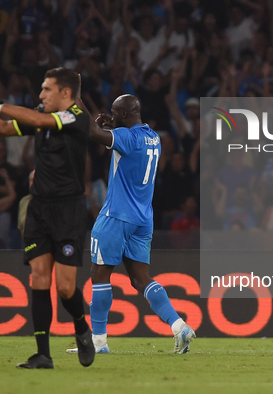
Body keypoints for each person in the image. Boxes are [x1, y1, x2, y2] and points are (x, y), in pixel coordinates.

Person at [0, 67, 95, 369]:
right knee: (39, 279)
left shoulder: (77, 116)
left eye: (46, 89)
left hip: (68, 211)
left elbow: (40, 119)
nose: (40, 95)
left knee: (65, 287)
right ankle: (43, 354)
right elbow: (3, 129)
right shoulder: (42, 115)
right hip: (39, 208)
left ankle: (81, 326)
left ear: (65, 94)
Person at [66, 94, 196, 355]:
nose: (111, 116)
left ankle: (99, 342)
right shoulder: (153, 138)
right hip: (143, 219)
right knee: (140, 278)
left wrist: (77, 99)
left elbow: (92, 133)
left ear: (124, 115)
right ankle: (179, 326)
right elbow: (124, 144)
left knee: (100, 276)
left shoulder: (126, 138)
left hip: (116, 215)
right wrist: (111, 126)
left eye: (114, 113)